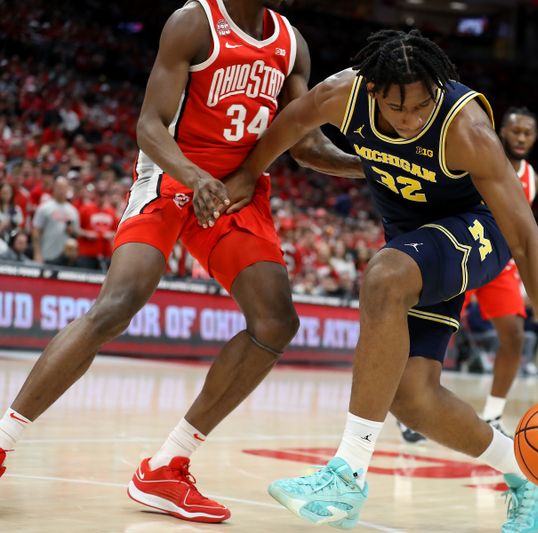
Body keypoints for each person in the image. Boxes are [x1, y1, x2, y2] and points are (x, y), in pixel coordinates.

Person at [232, 29, 538, 531]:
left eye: (424, 106)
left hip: (480, 232)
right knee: (412, 396)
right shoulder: (339, 95)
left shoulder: (467, 130)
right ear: (371, 90)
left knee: (384, 275)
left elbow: (526, 236)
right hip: (418, 243)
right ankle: (528, 473)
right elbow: (296, 141)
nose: (413, 119)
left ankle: (346, 474)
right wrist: (251, 173)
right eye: (400, 110)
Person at [0, 0, 362, 524]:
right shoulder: (195, 22)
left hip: (238, 190)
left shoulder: (292, 43)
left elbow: (304, 144)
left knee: (276, 322)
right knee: (117, 305)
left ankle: (167, 465)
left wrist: (373, 164)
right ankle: (5, 440)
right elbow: (149, 126)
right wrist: (194, 179)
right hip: (174, 175)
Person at [397, 106, 538, 442]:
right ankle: (410, 407)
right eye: (515, 131)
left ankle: (493, 414)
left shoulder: (532, 177)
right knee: (430, 330)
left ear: (534, 138)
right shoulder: (477, 155)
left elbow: (522, 229)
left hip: (500, 260)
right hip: (463, 248)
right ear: (501, 131)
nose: (520, 138)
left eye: (527, 133)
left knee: (515, 335)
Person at [31, 176, 79, 264]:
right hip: (46, 253)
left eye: (64, 188)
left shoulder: (73, 211)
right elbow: (36, 231)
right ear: (54, 188)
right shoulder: (44, 207)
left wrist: (72, 231)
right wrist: (37, 253)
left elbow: (76, 233)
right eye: (59, 187)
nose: (61, 191)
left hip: (65, 257)